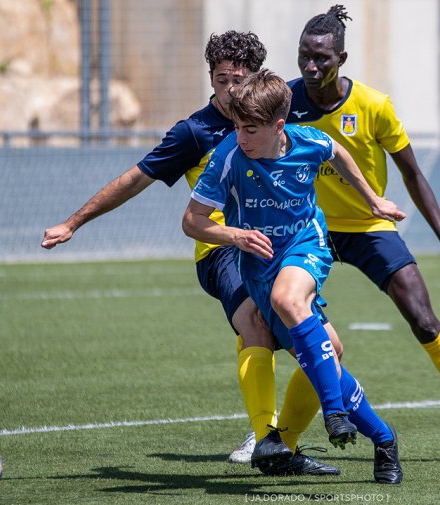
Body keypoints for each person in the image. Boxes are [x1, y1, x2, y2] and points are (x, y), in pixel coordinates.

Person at [41, 31, 339, 477]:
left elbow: (324, 119)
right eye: (222, 80)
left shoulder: (277, 110)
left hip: (281, 249)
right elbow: (135, 178)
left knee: (327, 350)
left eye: (240, 79)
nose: (232, 90)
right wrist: (73, 222)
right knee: (255, 325)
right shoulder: (194, 132)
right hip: (220, 251)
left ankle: (283, 448)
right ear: (211, 78)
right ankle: (264, 436)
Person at [250, 4, 440, 464]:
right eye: (303, 57)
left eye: (322, 59)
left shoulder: (373, 105)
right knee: (282, 329)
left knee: (425, 321)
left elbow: (414, 176)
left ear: (343, 59)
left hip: (371, 227)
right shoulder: (285, 104)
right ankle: (272, 437)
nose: (311, 67)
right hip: (308, 230)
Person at [183, 68, 405, 484]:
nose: (241, 136)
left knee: (289, 300)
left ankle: (331, 413)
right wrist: (235, 235)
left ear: (278, 126)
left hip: (307, 244)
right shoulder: (229, 156)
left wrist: (372, 200)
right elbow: (192, 222)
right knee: (327, 352)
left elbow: (337, 151)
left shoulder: (306, 141)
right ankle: (384, 437)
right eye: (236, 126)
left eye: (250, 129)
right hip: (258, 265)